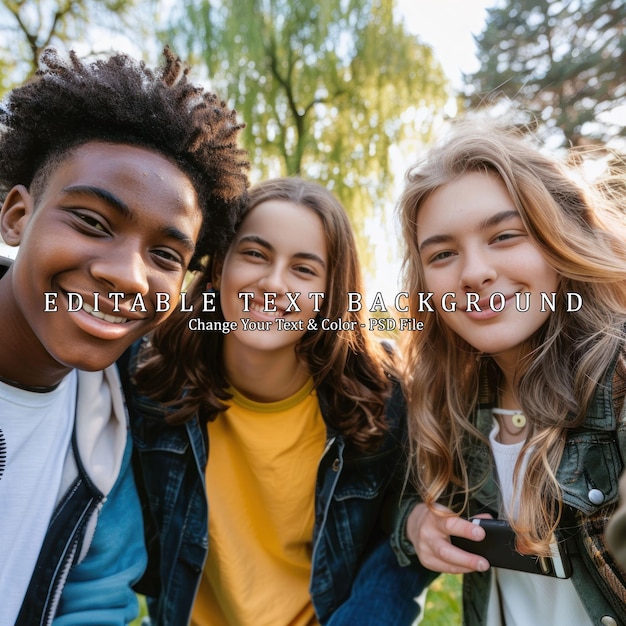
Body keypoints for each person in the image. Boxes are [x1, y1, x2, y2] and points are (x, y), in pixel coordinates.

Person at [0, 46, 248, 625]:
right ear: (16, 215)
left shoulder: (108, 427)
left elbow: (94, 601)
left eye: (165, 254)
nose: (127, 274)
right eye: (91, 221)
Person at [120, 177, 433, 626]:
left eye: (304, 269)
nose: (272, 284)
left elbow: (401, 538)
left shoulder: (383, 395)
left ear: (330, 294)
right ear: (219, 266)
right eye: (255, 254)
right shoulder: (148, 373)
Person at [393, 123, 626, 625]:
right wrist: (415, 524)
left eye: (504, 236)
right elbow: (406, 497)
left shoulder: (619, 380)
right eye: (442, 254)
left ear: (559, 237)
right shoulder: (451, 399)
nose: (473, 272)